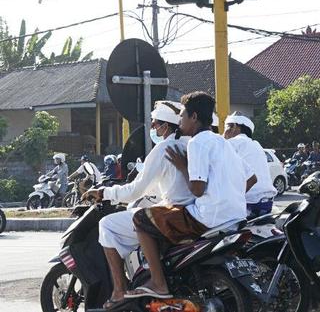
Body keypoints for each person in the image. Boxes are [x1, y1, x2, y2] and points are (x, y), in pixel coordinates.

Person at [124, 91, 256, 300]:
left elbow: (197, 190)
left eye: (183, 115)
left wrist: (183, 166)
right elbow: (252, 179)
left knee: (140, 218)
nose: (180, 120)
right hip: (236, 216)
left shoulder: (197, 143)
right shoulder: (222, 142)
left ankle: (158, 284)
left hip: (207, 217)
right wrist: (228, 195)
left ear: (194, 117)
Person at [82, 100, 194, 309]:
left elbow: (135, 190)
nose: (152, 127)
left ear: (166, 126)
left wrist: (104, 192)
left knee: (107, 225)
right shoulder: (191, 144)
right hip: (194, 212)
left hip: (174, 212)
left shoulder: (164, 149)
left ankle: (119, 290)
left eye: (155, 123)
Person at [224, 111, 277, 217]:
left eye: (225, 127)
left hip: (249, 204)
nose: (224, 132)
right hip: (267, 203)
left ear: (234, 126)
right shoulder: (256, 145)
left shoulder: (232, 143)